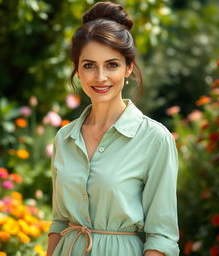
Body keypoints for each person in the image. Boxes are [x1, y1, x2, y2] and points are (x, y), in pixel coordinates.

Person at [46, 1, 179, 256]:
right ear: (77, 71)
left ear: (128, 68)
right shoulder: (64, 138)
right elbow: (60, 221)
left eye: (112, 64)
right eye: (89, 65)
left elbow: (161, 237)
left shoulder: (154, 138)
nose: (100, 77)